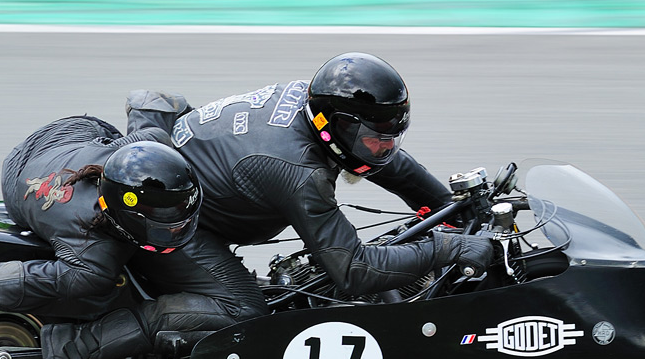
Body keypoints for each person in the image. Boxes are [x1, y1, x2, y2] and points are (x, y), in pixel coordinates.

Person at [0, 91, 264, 359]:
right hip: (33, 175)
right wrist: (1, 277)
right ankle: (76, 349)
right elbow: (1, 283)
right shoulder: (91, 253)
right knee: (242, 308)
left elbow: (152, 118)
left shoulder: (141, 147)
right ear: (121, 219)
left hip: (62, 140)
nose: (177, 228)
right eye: (164, 222)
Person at [163, 52, 495, 303]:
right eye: (376, 139)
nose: (386, 148)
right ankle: (142, 338)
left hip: (190, 185)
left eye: (392, 138)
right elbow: (353, 271)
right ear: (337, 127)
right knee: (245, 309)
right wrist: (447, 247)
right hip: (174, 228)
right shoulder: (298, 170)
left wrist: (459, 209)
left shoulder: (319, 102)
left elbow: (393, 167)